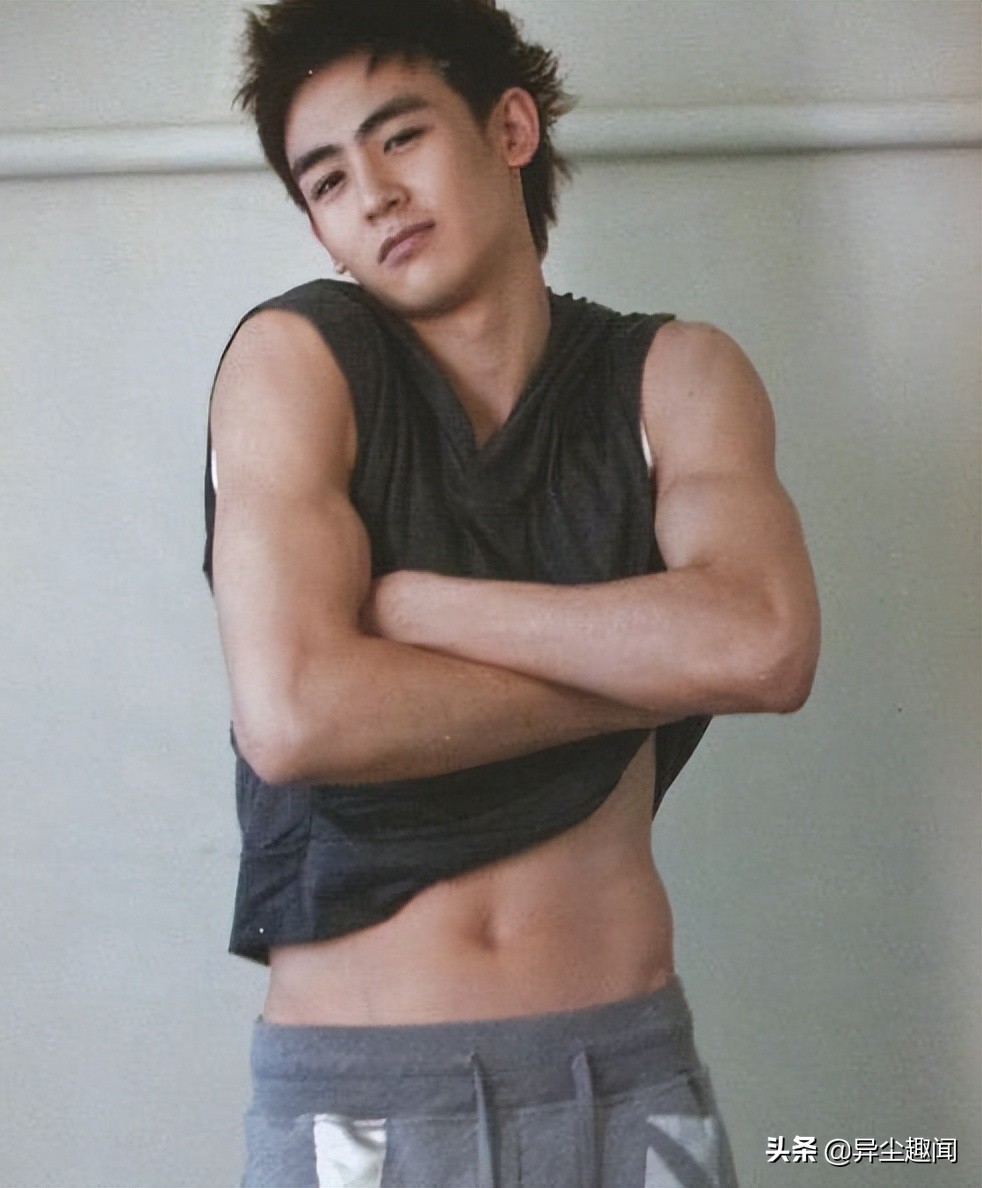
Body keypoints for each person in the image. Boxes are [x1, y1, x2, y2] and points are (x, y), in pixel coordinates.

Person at [202, 1, 820, 1184]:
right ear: (317, 226)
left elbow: (761, 646)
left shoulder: (673, 375)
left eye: (400, 136)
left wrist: (421, 610)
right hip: (364, 1097)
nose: (373, 195)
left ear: (510, 128)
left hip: (623, 1077)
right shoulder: (295, 360)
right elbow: (296, 716)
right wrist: (644, 670)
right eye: (326, 179)